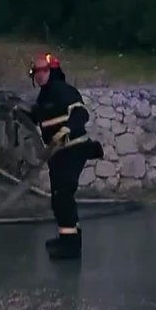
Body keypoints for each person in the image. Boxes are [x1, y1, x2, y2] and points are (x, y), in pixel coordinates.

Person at [24, 53, 104, 260]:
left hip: (73, 148)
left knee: (63, 195)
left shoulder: (64, 91)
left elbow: (81, 114)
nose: (39, 75)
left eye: (44, 70)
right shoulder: (44, 97)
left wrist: (67, 130)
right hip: (58, 153)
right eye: (36, 72)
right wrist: (21, 112)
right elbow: (38, 116)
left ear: (53, 71)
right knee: (59, 197)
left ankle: (70, 246)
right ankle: (68, 237)